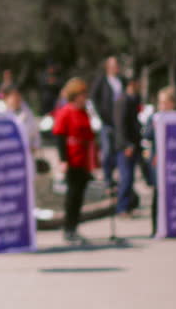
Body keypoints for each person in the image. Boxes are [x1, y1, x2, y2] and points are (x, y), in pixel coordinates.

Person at [53, 77, 95, 243]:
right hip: (72, 159)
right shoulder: (65, 112)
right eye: (82, 94)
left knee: (79, 196)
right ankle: (68, 228)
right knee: (72, 195)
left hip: (84, 159)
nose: (85, 97)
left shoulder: (84, 111)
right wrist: (63, 160)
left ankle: (75, 227)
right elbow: (59, 137)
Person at [142, 86, 176, 236]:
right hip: (158, 162)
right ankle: (155, 227)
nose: (163, 106)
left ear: (172, 104)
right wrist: (155, 127)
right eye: (161, 103)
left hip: (174, 162)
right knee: (158, 194)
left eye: (166, 103)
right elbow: (147, 135)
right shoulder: (154, 117)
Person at [90, 56, 125, 187]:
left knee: (118, 150)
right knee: (107, 151)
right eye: (113, 65)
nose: (116, 67)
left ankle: (117, 177)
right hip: (107, 122)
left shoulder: (121, 81)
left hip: (120, 123)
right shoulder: (102, 81)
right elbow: (94, 97)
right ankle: (108, 178)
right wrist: (101, 113)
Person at [113, 78, 142, 216]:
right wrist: (126, 145)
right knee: (126, 177)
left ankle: (129, 205)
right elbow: (120, 126)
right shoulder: (123, 101)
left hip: (133, 144)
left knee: (130, 178)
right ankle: (122, 207)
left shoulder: (133, 99)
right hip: (125, 146)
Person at [0, 85, 41, 157]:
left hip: (26, 155)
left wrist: (34, 146)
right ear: (6, 97)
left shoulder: (26, 109)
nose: (18, 98)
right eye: (15, 95)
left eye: (19, 95)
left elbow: (35, 132)